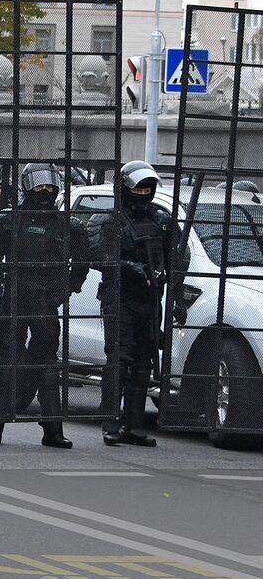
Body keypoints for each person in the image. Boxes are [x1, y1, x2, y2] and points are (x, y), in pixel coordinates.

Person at [0, 164, 88, 449]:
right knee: (3, 362)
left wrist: (64, 291)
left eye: (50, 186)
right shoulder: (7, 221)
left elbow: (82, 263)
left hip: (45, 301)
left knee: (48, 365)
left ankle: (52, 428)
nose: (45, 190)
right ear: (28, 187)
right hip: (13, 298)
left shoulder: (66, 224)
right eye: (39, 185)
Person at [89, 161, 177, 447]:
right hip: (120, 297)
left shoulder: (161, 219)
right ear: (125, 189)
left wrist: (169, 282)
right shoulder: (109, 221)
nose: (143, 192)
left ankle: (134, 425)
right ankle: (111, 422)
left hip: (150, 300)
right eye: (138, 188)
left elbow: (177, 256)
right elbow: (98, 257)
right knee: (119, 361)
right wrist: (130, 268)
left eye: (147, 188)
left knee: (143, 364)